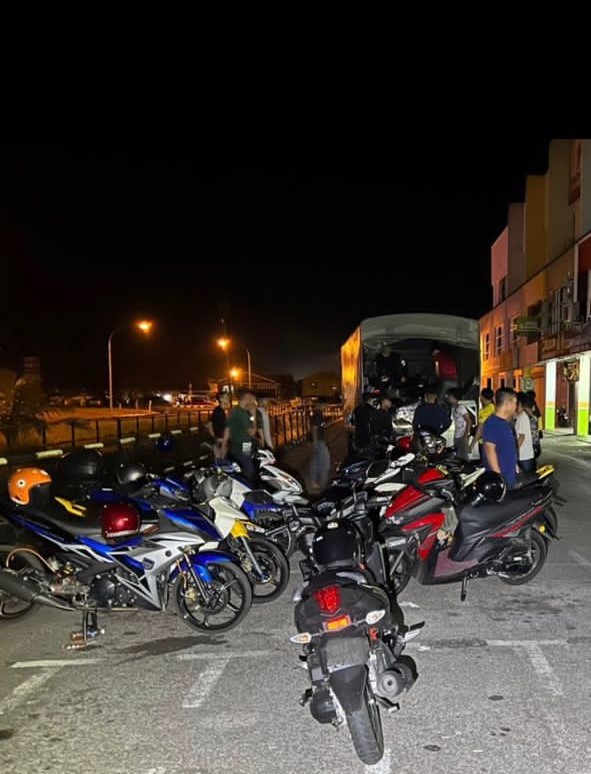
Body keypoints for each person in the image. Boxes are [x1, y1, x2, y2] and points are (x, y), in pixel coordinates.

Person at [482, 387, 519, 487]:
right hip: (501, 481)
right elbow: (490, 451)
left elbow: (506, 447)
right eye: (515, 403)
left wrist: (514, 465)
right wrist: (499, 477)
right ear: (507, 404)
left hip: (509, 476)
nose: (516, 406)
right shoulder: (492, 423)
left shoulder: (505, 423)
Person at [224, 390, 258, 484]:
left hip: (240, 445)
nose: (254, 404)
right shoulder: (241, 413)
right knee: (249, 469)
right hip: (243, 446)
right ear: (247, 399)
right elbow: (252, 432)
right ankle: (246, 487)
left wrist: (224, 445)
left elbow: (227, 429)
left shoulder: (235, 410)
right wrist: (254, 414)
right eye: (253, 401)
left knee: (245, 466)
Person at [308, 402, 331, 492]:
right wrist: (315, 442)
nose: (326, 406)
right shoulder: (318, 414)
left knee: (316, 461)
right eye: (325, 404)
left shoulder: (318, 413)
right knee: (324, 461)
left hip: (319, 441)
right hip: (319, 442)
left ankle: (315, 482)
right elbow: (314, 428)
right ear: (320, 405)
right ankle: (321, 483)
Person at [446, 388, 472, 460]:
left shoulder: (461, 408)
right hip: (457, 435)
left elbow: (469, 421)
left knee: (463, 456)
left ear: (454, 397)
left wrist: (465, 435)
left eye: (449, 396)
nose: (448, 398)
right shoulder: (453, 408)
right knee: (458, 455)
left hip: (462, 435)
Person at [469, 387, 495, 459]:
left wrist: (471, 445)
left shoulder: (486, 410)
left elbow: (480, 428)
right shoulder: (493, 408)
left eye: (480, 396)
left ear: (482, 397)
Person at [515, 392, 535, 472]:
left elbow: (522, 437)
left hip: (524, 456)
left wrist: (514, 451)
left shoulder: (522, 417)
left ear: (519, 404)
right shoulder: (520, 416)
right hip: (524, 455)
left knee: (525, 477)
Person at [207, 393, 231, 459]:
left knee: (222, 458)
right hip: (220, 439)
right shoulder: (218, 411)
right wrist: (216, 438)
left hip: (222, 438)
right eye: (226, 397)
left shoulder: (222, 410)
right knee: (220, 458)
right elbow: (211, 424)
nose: (228, 399)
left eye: (228, 397)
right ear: (221, 399)